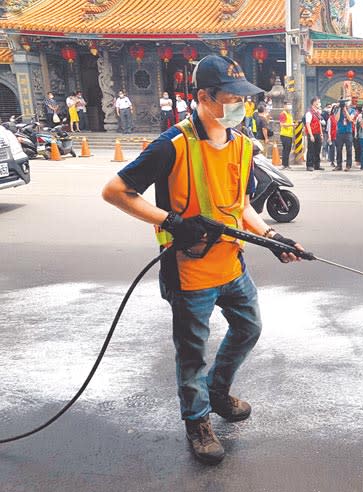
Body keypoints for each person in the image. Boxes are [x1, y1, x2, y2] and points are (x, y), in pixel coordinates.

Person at [102, 54, 305, 465]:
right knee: (192, 353)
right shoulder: (171, 145)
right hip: (190, 271)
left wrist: (271, 236)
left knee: (249, 328)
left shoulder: (244, 144)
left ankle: (217, 392)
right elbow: (115, 191)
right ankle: (197, 422)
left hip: (232, 266)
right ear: (204, 97)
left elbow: (241, 204)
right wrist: (172, 221)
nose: (240, 107)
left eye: (244, 99)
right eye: (232, 98)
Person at [334, 99, 355, 171]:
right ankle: (339, 165)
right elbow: (336, 119)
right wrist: (340, 108)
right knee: (338, 149)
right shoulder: (338, 110)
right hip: (340, 132)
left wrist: (345, 110)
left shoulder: (352, 110)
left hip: (348, 132)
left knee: (349, 149)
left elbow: (350, 119)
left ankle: (348, 165)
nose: (345, 105)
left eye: (346, 103)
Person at [305, 96, 324, 171]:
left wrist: (321, 134)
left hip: (318, 133)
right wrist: (311, 135)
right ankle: (309, 165)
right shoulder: (309, 113)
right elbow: (307, 124)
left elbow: (319, 124)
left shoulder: (318, 113)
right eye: (318, 102)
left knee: (318, 150)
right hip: (312, 134)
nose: (319, 103)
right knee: (311, 150)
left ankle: (317, 165)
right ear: (314, 103)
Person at [278, 101, 294, 169]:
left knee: (288, 150)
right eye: (288, 105)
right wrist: (291, 125)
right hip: (285, 135)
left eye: (290, 105)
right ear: (284, 106)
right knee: (285, 150)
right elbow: (282, 124)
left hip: (289, 135)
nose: (289, 106)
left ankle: (287, 164)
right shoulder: (283, 114)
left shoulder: (289, 114)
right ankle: (284, 165)